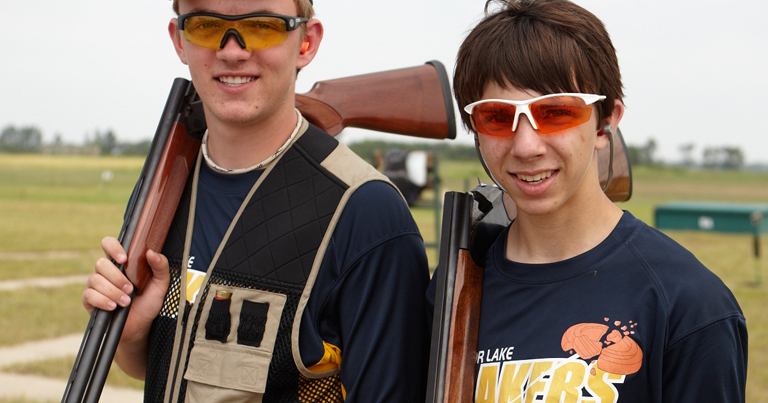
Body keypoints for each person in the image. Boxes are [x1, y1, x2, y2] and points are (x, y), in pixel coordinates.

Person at [81, 0, 431, 401]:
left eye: (262, 25)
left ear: (307, 42)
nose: (232, 50)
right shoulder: (164, 188)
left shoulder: (366, 212)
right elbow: (174, 369)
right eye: (207, 25)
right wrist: (130, 337)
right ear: (179, 40)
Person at [428, 0, 748, 401]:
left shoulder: (688, 303)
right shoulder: (456, 290)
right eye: (497, 117)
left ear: (606, 121)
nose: (526, 146)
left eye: (556, 113)